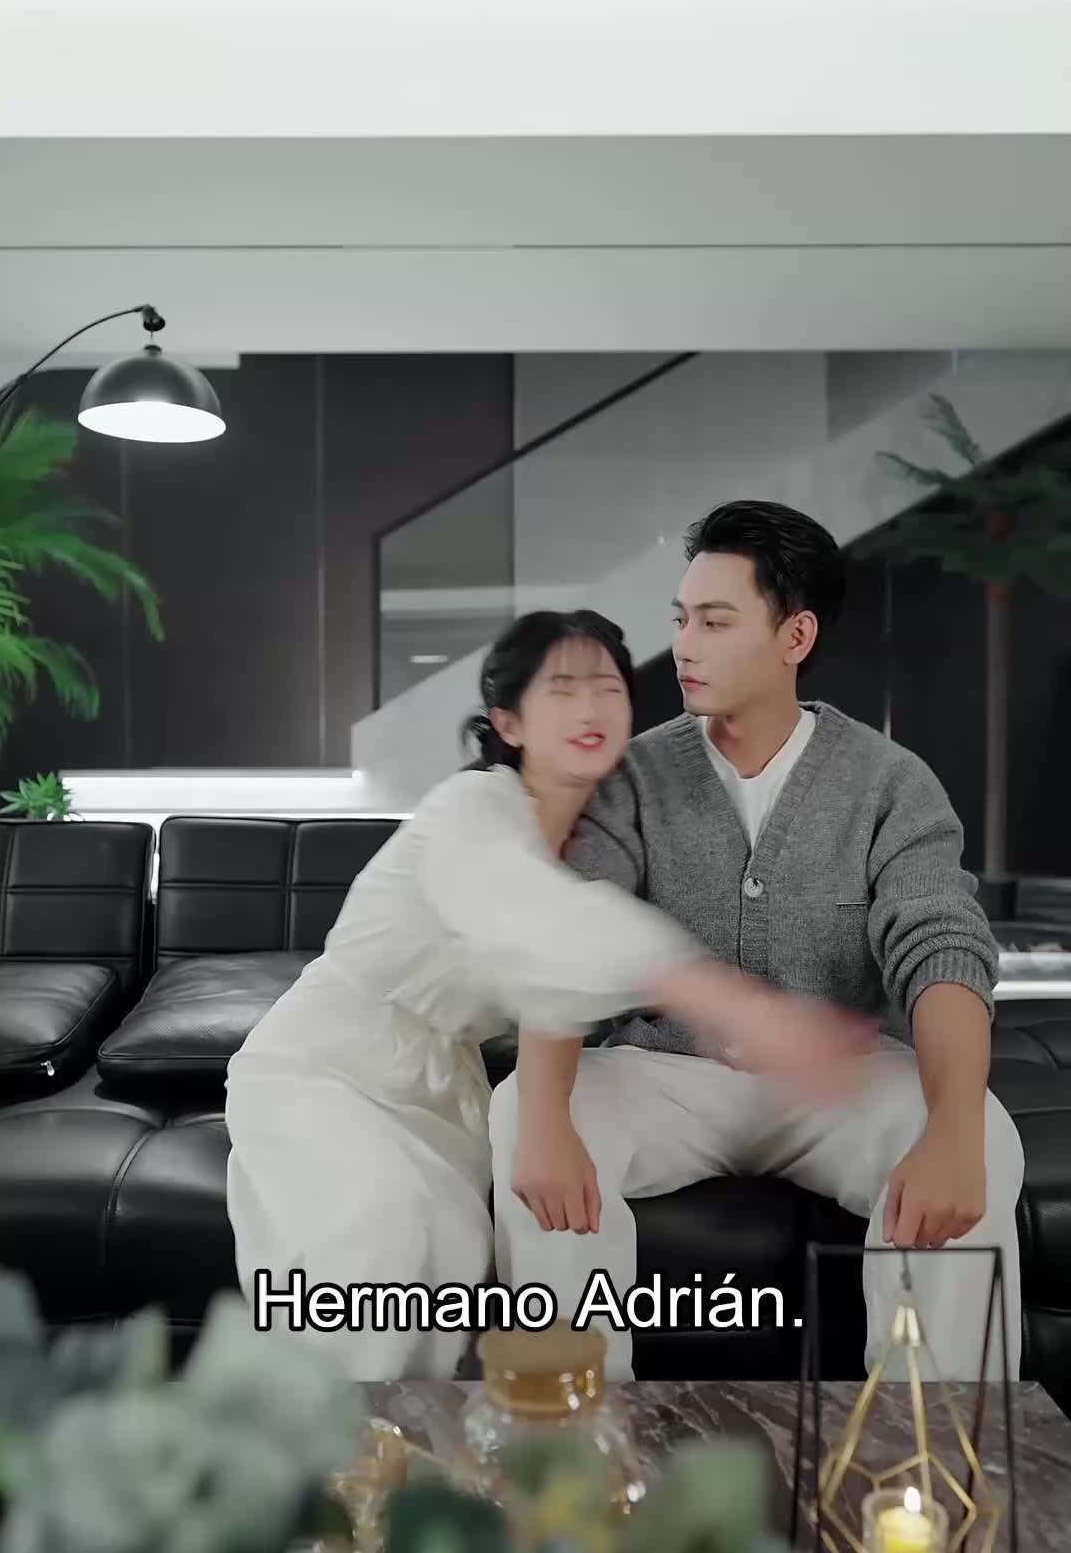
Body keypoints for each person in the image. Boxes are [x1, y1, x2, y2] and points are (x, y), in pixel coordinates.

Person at [224, 606, 873, 1380]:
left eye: (608, 688)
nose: (590, 708)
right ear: (509, 721)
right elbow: (546, 922)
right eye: (562, 689)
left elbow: (574, 967)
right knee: (377, 1236)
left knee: (448, 1258)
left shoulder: (601, 843)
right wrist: (730, 1002)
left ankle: (409, 1451)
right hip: (324, 1071)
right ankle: (320, 1450)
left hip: (442, 1094)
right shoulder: (470, 811)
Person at [490, 504, 1026, 1385]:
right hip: (665, 1077)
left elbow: (941, 950)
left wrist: (956, 1130)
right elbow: (569, 939)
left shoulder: (890, 783)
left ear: (795, 636)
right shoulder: (632, 776)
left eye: (714, 622)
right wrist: (545, 1123)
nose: (684, 646)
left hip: (839, 1085)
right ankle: (573, 1431)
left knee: (983, 1137)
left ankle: (930, 1445)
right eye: (680, 620)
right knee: (524, 1109)